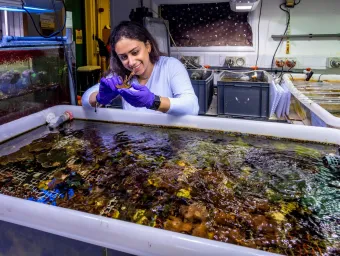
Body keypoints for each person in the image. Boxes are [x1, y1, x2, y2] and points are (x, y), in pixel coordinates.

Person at [82, 21, 199, 115]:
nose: (131, 62)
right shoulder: (121, 75)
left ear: (148, 46)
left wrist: (154, 101)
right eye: (123, 57)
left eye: (135, 52)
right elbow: (85, 100)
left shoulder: (170, 66)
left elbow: (192, 107)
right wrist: (99, 97)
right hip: (134, 141)